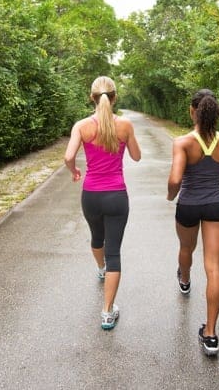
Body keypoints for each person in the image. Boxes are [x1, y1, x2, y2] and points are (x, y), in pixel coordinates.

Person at [64, 76, 141, 330]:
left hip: (91, 195)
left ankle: (100, 268)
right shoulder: (125, 125)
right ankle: (107, 312)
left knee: (97, 238)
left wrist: (75, 171)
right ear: (115, 97)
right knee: (115, 252)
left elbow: (68, 156)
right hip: (117, 195)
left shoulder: (82, 126)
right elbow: (137, 157)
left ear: (92, 98)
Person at [167, 89, 219, 356]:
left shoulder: (183, 142)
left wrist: (170, 195)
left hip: (188, 205)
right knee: (214, 267)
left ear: (192, 110)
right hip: (216, 206)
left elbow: (175, 180)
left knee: (186, 249)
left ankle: (184, 281)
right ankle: (210, 336)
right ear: (214, 111)